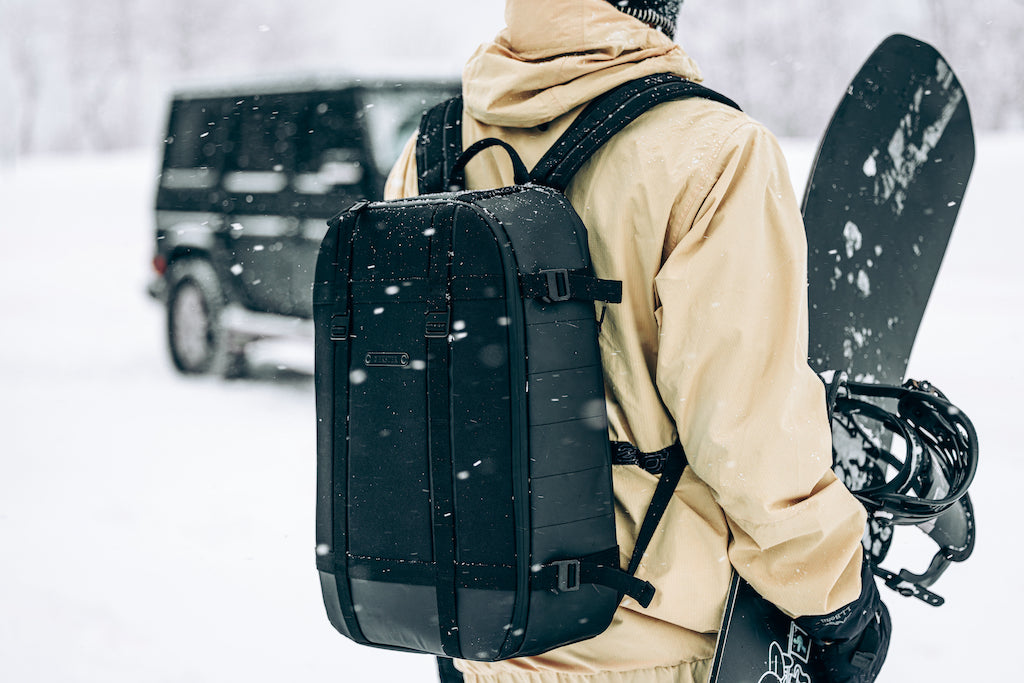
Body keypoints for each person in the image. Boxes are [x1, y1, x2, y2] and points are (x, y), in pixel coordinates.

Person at [385, 1, 890, 682]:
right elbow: (749, 438)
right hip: (651, 651)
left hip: (482, 641)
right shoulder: (712, 151)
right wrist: (838, 599)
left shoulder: (426, 155)